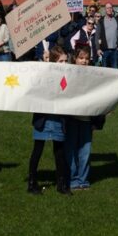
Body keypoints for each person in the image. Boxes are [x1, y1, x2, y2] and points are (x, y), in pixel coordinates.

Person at [28, 46, 73, 196]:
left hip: (59, 120)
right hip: (43, 119)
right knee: (37, 150)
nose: (65, 64)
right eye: (61, 61)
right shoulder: (44, 73)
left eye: (66, 61)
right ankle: (32, 182)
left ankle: (61, 183)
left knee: (59, 152)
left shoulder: (69, 75)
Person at [63, 47, 108, 191]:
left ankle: (83, 179)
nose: (84, 61)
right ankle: (73, 179)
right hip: (71, 119)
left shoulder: (94, 75)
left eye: (86, 58)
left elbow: (102, 95)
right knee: (70, 150)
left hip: (87, 121)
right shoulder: (68, 73)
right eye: (81, 58)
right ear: (75, 59)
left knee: (85, 152)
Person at [96, 2, 118, 68]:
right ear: (105, 9)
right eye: (107, 8)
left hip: (115, 50)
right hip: (104, 50)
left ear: (112, 9)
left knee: (115, 69)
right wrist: (98, 48)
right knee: (105, 70)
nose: (109, 9)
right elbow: (97, 35)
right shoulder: (101, 21)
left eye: (110, 8)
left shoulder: (117, 20)